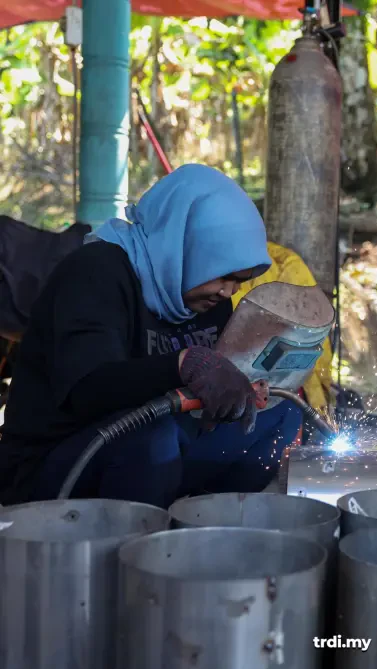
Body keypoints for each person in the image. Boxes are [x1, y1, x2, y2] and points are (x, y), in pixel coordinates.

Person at [0, 164, 303, 507]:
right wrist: (183, 364)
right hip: (56, 466)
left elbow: (212, 384)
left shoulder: (207, 297)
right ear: (186, 246)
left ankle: (208, 522)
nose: (227, 291)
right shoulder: (93, 273)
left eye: (240, 280)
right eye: (224, 275)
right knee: (151, 439)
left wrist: (238, 389)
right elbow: (87, 390)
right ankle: (138, 551)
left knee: (280, 416)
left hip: (156, 451)